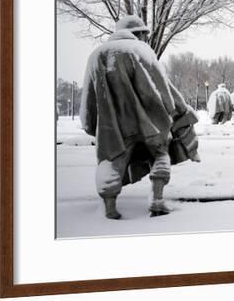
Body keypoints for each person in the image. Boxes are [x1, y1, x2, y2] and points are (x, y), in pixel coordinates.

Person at [80, 15, 200, 219]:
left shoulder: (96, 55)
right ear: (138, 33)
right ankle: (157, 199)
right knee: (160, 155)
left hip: (114, 126)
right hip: (151, 122)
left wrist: (91, 123)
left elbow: (89, 96)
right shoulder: (142, 51)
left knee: (112, 162)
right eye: (144, 33)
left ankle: (109, 208)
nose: (145, 37)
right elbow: (162, 87)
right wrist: (176, 111)